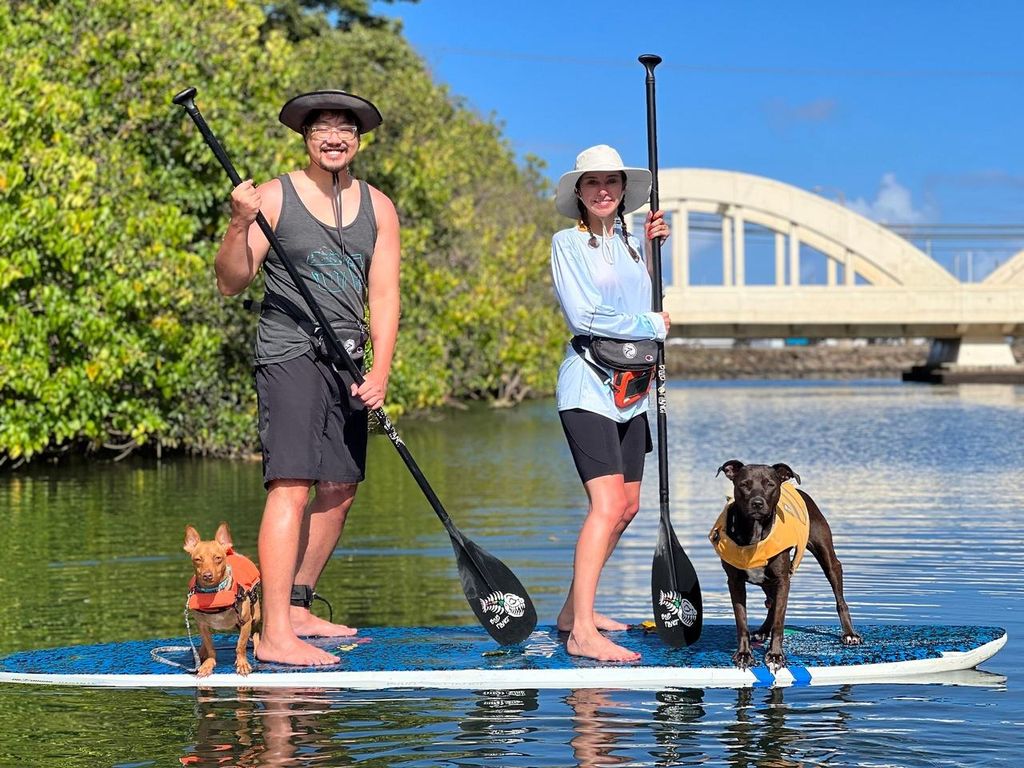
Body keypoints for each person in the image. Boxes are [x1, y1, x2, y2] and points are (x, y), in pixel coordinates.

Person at [214, 90, 400, 666]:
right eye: (323, 127)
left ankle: (294, 606)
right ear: (306, 137)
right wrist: (239, 225)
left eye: (346, 127)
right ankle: (271, 636)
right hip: (289, 353)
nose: (335, 136)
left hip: (348, 360)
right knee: (291, 484)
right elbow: (230, 281)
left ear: (359, 140)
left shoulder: (380, 207)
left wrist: (381, 371)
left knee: (340, 488)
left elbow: (386, 294)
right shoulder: (273, 196)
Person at [550, 144, 670, 662]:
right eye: (593, 182)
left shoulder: (634, 244)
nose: (603, 190)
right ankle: (581, 632)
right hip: (588, 388)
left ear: (624, 192)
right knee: (605, 505)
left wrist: (654, 247)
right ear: (579, 192)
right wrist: (651, 326)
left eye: (612, 182)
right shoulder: (566, 244)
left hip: (633, 393)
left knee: (627, 506)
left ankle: (572, 610)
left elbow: (644, 304)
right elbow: (586, 316)